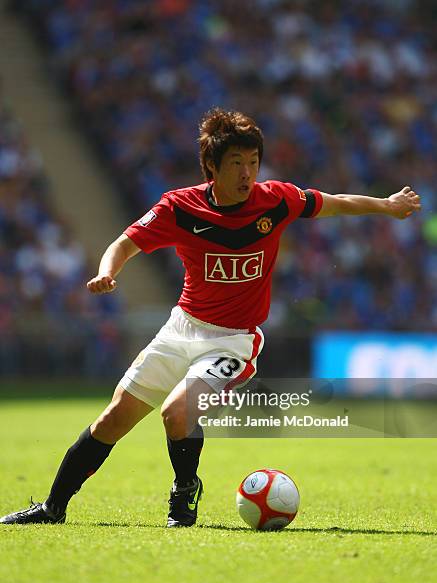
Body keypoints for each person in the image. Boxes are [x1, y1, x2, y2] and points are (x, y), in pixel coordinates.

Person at [0, 108, 421, 527]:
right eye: (236, 163)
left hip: (233, 341)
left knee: (177, 412)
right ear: (211, 168)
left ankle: (184, 493)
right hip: (181, 328)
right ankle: (52, 508)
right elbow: (124, 243)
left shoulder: (276, 200)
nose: (247, 173)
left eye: (253, 162)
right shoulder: (179, 208)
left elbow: (333, 203)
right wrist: (108, 272)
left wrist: (386, 205)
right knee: (112, 419)